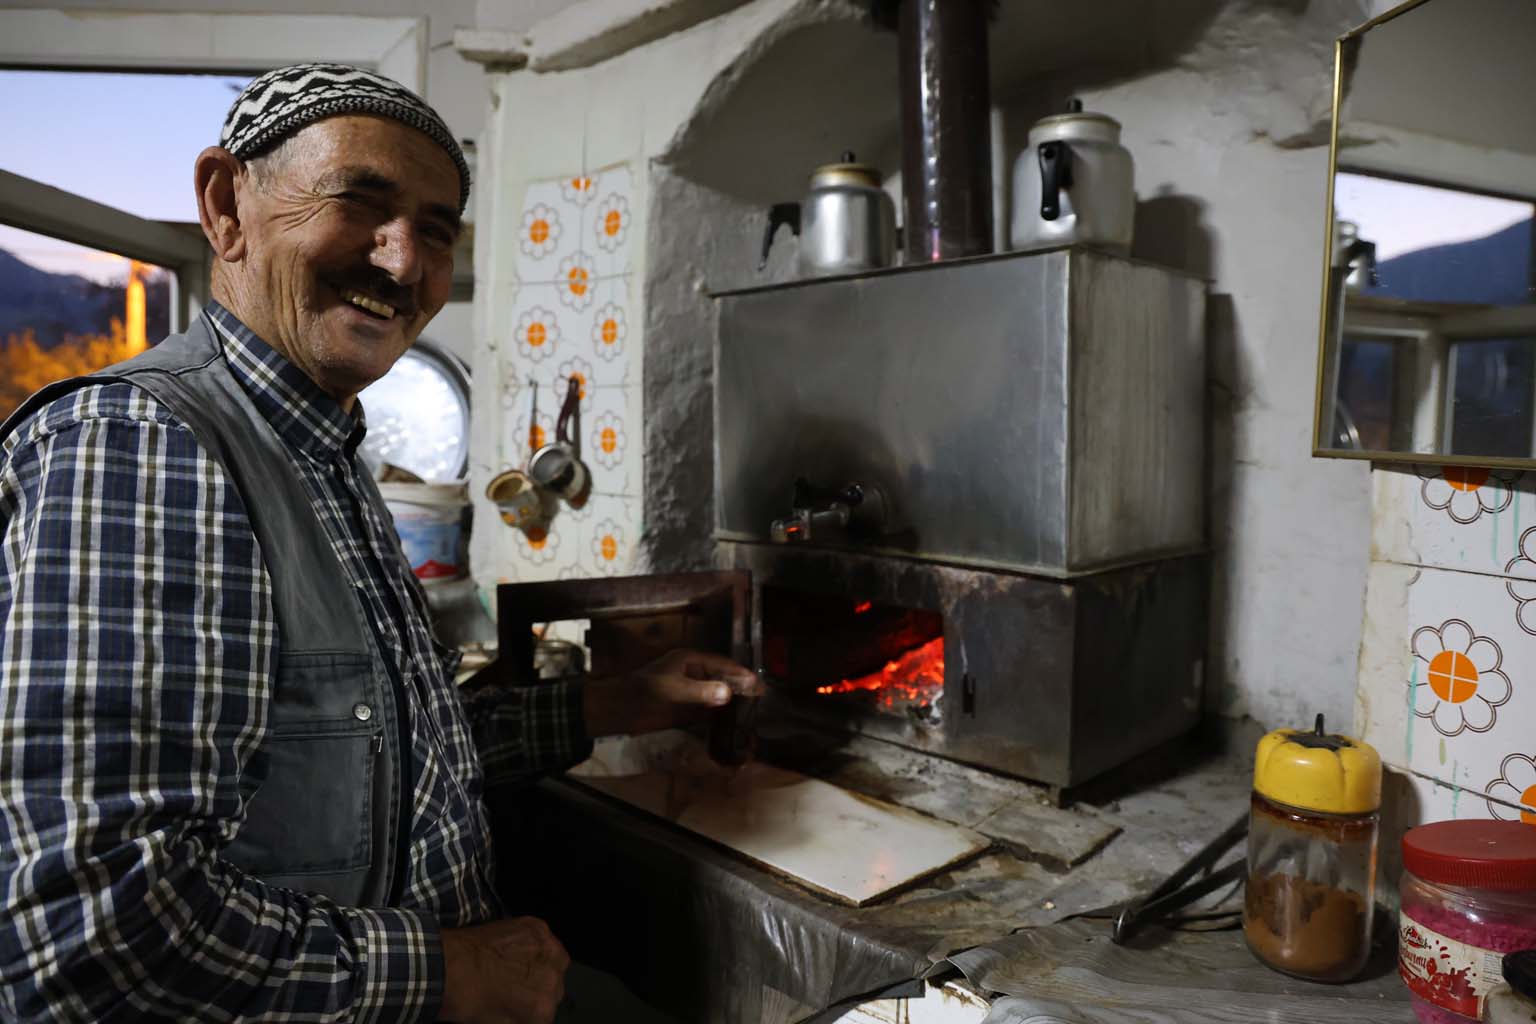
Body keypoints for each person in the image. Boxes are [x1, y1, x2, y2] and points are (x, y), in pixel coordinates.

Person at [0, 63, 757, 1023]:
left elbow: (389, 746)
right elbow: (87, 935)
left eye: (435, 232)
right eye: (361, 202)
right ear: (226, 204)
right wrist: (451, 973)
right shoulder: (149, 446)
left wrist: (623, 699)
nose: (403, 262)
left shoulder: (324, 451)